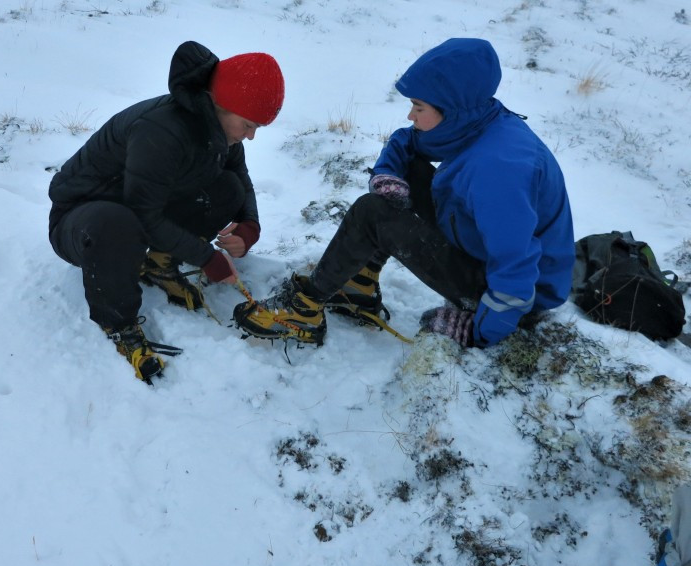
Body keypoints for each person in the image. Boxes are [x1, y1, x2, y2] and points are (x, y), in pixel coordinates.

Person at [233, 37, 574, 349]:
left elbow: (516, 265)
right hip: (485, 254)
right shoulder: (477, 120)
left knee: (373, 213)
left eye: (418, 107)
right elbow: (407, 139)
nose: (410, 114)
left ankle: (303, 311)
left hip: (515, 296)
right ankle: (355, 287)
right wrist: (386, 173)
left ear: (450, 108)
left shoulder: (499, 170)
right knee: (396, 184)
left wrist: (482, 331)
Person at [49, 41, 284, 382]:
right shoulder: (162, 129)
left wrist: (250, 226)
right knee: (118, 225)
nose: (250, 136)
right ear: (223, 105)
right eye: (248, 125)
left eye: (257, 128)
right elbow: (145, 215)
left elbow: (240, 180)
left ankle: (157, 262)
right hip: (83, 221)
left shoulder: (219, 130)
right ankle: (119, 324)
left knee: (226, 189)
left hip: (137, 208)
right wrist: (206, 256)